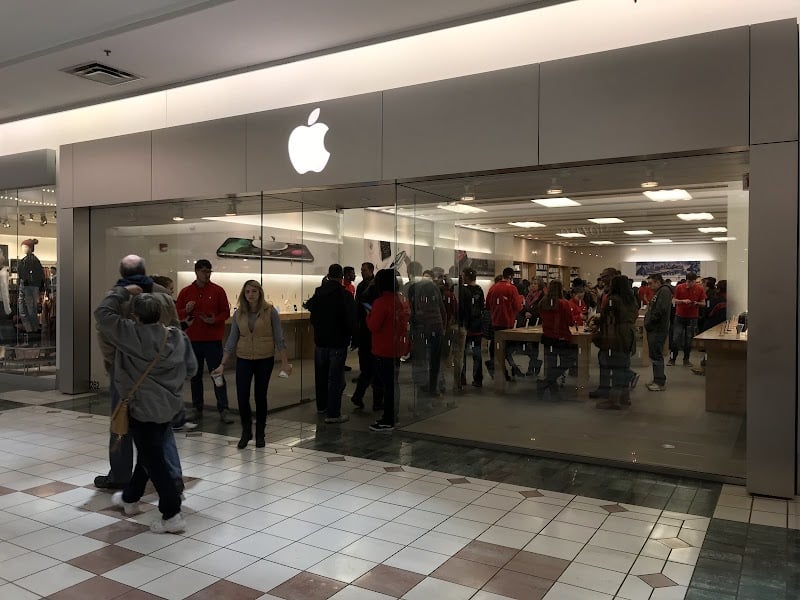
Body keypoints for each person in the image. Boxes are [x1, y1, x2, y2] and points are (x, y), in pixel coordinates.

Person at [95, 285, 197, 533]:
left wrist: (121, 291)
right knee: (148, 452)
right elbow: (192, 369)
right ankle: (130, 497)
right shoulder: (177, 336)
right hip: (168, 408)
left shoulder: (130, 334)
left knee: (154, 459)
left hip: (142, 408)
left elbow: (102, 314)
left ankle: (172, 514)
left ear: (135, 317)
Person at [95, 255, 185, 492]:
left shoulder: (116, 296)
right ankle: (173, 475)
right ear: (146, 270)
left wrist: (113, 363)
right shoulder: (164, 296)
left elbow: (103, 329)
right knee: (161, 424)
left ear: (122, 273)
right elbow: (176, 329)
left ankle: (121, 475)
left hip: (125, 373)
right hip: (159, 370)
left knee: (121, 424)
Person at [214, 280, 291, 448]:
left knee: (260, 396)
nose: (250, 294)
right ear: (244, 294)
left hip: (265, 358)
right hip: (244, 358)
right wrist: (222, 363)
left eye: (254, 291)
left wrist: (285, 362)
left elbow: (279, 338)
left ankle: (260, 433)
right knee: (242, 396)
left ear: (260, 293)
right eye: (247, 291)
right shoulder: (239, 313)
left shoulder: (270, 312)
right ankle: (246, 431)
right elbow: (232, 339)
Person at [175, 259, 235, 424]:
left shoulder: (218, 291)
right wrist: (185, 310)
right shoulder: (186, 292)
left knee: (217, 374)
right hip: (193, 339)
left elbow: (225, 312)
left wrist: (214, 320)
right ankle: (197, 407)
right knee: (195, 375)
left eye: (209, 271)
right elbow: (176, 313)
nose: (206, 274)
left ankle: (223, 408)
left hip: (212, 340)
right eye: (203, 271)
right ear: (196, 272)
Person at [306, 263, 357, 423]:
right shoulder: (345, 295)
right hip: (337, 341)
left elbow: (313, 316)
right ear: (341, 277)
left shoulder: (318, 293)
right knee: (335, 378)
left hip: (320, 341)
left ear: (328, 276)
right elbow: (351, 320)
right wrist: (353, 337)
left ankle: (322, 406)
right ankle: (334, 413)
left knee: (320, 375)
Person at [151, 275, 197, 432]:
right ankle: (175, 420)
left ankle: (175, 419)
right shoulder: (165, 304)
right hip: (167, 360)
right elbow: (175, 327)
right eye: (170, 290)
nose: (172, 293)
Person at [368, 269, 410, 432]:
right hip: (397, 347)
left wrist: (368, 315)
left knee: (388, 385)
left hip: (383, 349)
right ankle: (393, 415)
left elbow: (373, 325)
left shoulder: (381, 302)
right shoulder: (402, 300)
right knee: (393, 384)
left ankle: (388, 419)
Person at [593, 275, 638, 409]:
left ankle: (614, 400)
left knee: (616, 367)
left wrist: (596, 322)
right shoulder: (631, 299)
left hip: (616, 336)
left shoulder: (613, 300)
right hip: (628, 335)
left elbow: (609, 319)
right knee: (623, 366)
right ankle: (625, 397)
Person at [406, 262, 447, 397]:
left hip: (424, 328)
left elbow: (412, 311)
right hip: (435, 326)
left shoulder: (414, 288)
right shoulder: (433, 288)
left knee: (421, 359)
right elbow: (442, 310)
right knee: (434, 360)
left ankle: (424, 385)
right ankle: (432, 387)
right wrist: (443, 328)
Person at [351, 262, 383, 411]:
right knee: (371, 368)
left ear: (371, 270)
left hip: (370, 330)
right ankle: (374, 400)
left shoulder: (374, 287)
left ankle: (362, 396)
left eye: (364, 270)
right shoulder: (363, 286)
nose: (362, 272)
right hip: (366, 331)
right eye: (361, 270)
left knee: (371, 369)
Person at [537, 280, 577, 400]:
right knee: (569, 360)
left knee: (551, 364)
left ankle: (550, 387)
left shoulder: (542, 302)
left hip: (548, 337)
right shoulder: (563, 303)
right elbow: (570, 321)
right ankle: (546, 383)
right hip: (561, 337)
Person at [486, 267, 524, 380]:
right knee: (506, 349)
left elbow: (487, 305)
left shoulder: (493, 288)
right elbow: (518, 307)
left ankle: (501, 369)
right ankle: (508, 370)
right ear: (511, 276)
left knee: (496, 347)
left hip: (495, 322)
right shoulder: (512, 289)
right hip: (507, 323)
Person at [589, 266, 621, 400]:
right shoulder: (605, 293)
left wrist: (599, 320)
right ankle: (604, 388)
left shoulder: (617, 294)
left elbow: (612, 315)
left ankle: (614, 393)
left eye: (605, 276)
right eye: (601, 276)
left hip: (614, 333)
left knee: (613, 362)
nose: (602, 279)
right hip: (606, 332)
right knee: (604, 361)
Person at [669, 271, 706, 366]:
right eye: (688, 281)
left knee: (689, 340)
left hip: (693, 317)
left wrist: (696, 303)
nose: (689, 284)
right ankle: (672, 358)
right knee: (675, 339)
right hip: (679, 316)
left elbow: (703, 303)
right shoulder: (679, 287)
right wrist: (682, 301)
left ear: (695, 281)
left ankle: (686, 359)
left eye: (691, 282)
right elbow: (673, 300)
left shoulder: (700, 289)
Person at [644, 273, 673, 392]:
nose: (649, 286)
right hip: (654, 328)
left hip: (658, 328)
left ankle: (659, 382)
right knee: (654, 355)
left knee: (656, 355)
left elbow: (660, 310)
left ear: (657, 281)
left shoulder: (664, 291)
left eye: (651, 283)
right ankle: (657, 379)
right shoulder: (660, 292)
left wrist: (650, 322)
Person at [458, 267, 484, 388]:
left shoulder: (462, 290)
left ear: (467, 276)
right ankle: (478, 378)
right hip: (477, 326)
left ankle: (461, 377)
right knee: (477, 354)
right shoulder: (479, 290)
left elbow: (461, 308)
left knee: (462, 353)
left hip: (465, 325)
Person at [18, 238, 45, 336]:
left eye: (25, 247)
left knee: (30, 309)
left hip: (30, 286)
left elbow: (40, 275)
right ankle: (29, 329)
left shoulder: (34, 261)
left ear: (30, 248)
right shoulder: (23, 261)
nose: (23, 249)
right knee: (22, 309)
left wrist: (40, 288)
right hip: (24, 286)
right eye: (22, 247)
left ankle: (34, 330)